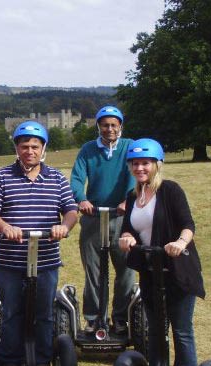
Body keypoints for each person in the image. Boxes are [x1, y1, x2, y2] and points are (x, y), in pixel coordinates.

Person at [0, 121, 78, 366]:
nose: (30, 151)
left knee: (44, 312)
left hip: (46, 259)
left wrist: (64, 226)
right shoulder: (1, 177)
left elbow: (71, 210)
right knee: (12, 312)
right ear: (17, 148)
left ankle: (43, 359)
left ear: (43, 148)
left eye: (35, 146)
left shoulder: (57, 178)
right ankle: (10, 363)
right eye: (24, 146)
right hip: (11, 261)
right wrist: (5, 226)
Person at [118, 138, 205, 366]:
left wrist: (180, 242)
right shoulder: (133, 196)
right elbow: (127, 230)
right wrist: (126, 238)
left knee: (181, 330)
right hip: (151, 273)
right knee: (155, 330)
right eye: (135, 164)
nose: (140, 168)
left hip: (177, 272)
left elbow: (188, 225)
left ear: (157, 164)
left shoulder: (170, 191)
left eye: (145, 163)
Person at [70, 105, 136, 335]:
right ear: (98, 126)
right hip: (93, 215)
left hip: (122, 217)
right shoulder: (88, 150)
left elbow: (135, 175)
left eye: (114, 125)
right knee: (93, 271)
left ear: (120, 127)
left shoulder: (130, 147)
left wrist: (128, 200)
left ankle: (120, 318)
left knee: (127, 269)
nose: (110, 129)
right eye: (105, 125)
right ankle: (93, 318)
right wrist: (81, 199)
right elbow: (77, 178)